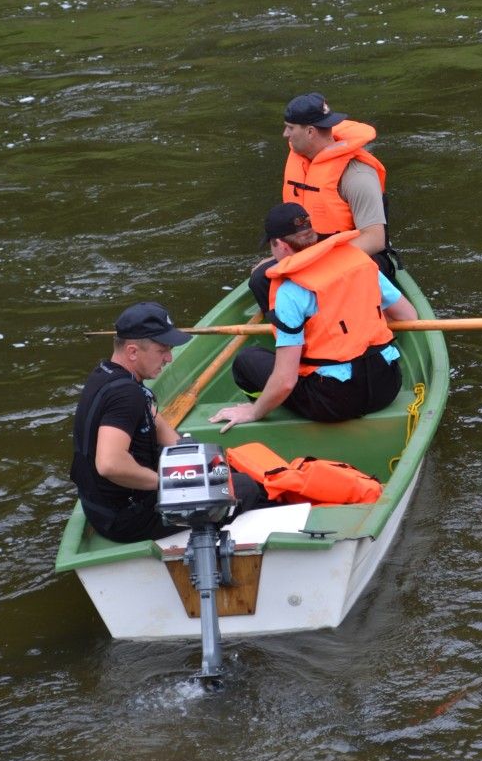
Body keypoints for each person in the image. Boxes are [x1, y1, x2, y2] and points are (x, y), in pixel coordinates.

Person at [211, 205, 418, 432]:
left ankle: (264, 408)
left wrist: (253, 412)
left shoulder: (290, 291)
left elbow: (286, 380)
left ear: (280, 245)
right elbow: (408, 316)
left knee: (246, 361)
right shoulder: (360, 262)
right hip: (386, 385)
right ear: (313, 235)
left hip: (334, 402)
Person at [248, 92, 397, 313]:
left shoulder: (357, 175)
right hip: (313, 251)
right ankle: (298, 338)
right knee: (260, 279)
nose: (284, 134)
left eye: (290, 127)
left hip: (360, 256)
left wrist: (312, 261)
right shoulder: (302, 163)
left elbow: (375, 240)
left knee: (329, 283)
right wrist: (280, 258)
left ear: (310, 131)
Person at [70, 302, 192, 543]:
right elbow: (110, 464)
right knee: (243, 490)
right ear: (133, 351)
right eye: (162, 350)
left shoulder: (106, 373)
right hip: (127, 520)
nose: (169, 358)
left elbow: (151, 416)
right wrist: (169, 484)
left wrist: (187, 449)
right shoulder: (127, 396)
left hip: (101, 508)